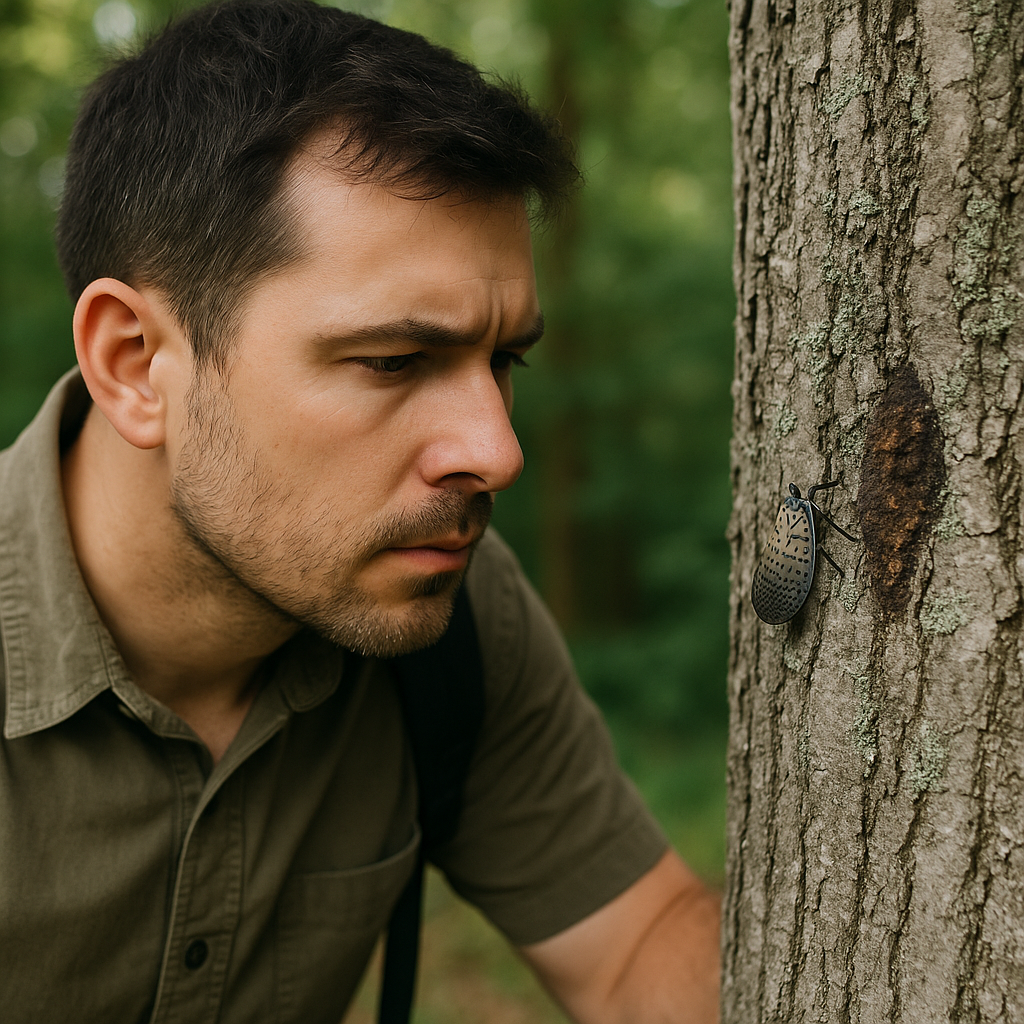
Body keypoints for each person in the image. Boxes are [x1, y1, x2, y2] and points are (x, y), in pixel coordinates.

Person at [0, 1, 721, 1021]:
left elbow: (635, 951)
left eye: (503, 359)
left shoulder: (449, 612)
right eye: (392, 360)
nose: (496, 452)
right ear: (134, 364)